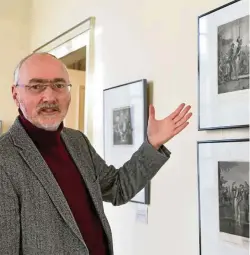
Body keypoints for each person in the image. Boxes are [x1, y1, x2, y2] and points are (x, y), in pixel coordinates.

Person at [0, 52, 192, 255]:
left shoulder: (77, 141)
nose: (49, 96)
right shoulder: (5, 158)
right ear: (16, 94)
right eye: (36, 86)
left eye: (59, 85)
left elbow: (118, 189)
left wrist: (152, 144)